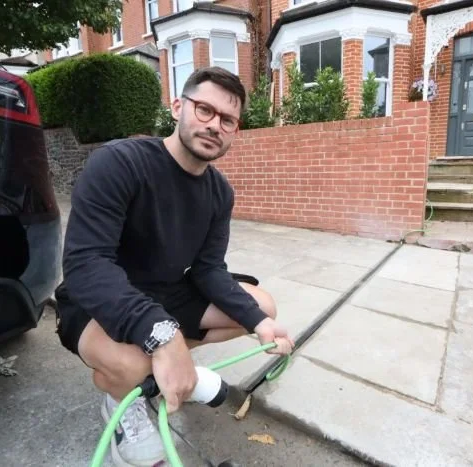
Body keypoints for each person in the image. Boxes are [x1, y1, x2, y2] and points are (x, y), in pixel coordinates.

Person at [54, 66, 294, 467]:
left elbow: (209, 270)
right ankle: (122, 396)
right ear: (178, 106)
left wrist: (258, 324)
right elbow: (85, 263)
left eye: (227, 120)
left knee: (261, 307)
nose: (214, 125)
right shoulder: (119, 162)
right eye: (204, 110)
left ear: (235, 131)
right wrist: (162, 336)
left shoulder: (220, 192)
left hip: (163, 293)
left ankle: (156, 365)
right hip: (93, 301)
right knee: (133, 361)